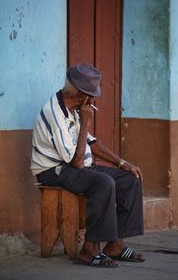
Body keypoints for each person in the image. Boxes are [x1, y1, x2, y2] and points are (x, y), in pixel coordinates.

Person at [31, 62, 144, 268]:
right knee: (103, 183)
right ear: (80, 94)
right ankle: (89, 250)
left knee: (130, 178)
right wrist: (85, 122)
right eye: (91, 95)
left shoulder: (74, 107)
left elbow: (92, 143)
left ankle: (115, 245)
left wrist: (122, 163)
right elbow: (75, 163)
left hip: (75, 166)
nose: (93, 100)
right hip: (52, 170)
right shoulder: (55, 112)